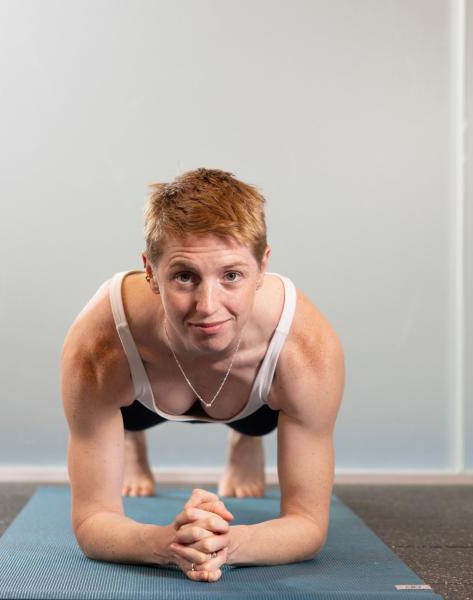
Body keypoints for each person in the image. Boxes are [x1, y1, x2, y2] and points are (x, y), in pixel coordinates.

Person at [60, 168, 344, 582]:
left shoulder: (306, 350)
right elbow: (92, 523)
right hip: (143, 394)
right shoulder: (101, 345)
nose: (208, 305)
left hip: (252, 401)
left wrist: (226, 544)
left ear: (263, 267)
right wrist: (169, 544)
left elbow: (308, 524)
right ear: (151, 273)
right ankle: (131, 445)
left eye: (231, 275)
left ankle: (244, 440)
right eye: (184, 276)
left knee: (259, 406)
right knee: (123, 407)